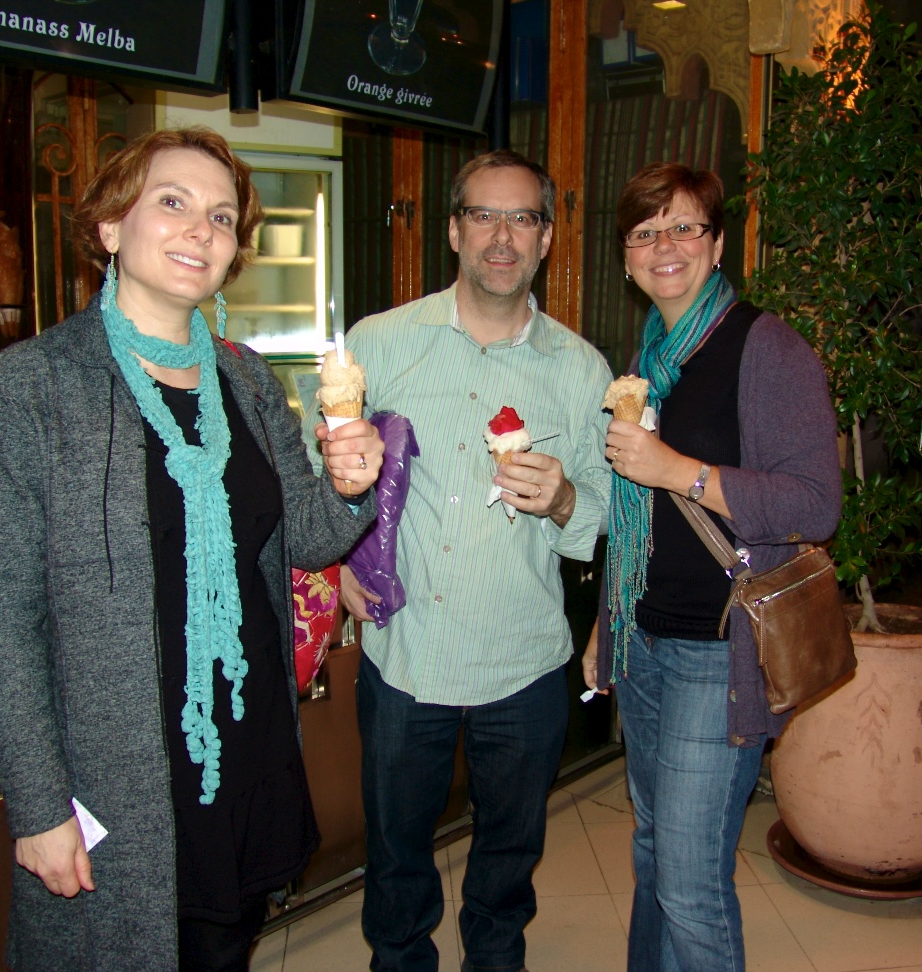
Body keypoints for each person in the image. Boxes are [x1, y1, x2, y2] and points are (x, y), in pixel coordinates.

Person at [0, 126, 384, 972]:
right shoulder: (36, 385)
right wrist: (39, 807)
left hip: (247, 739)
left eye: (221, 217)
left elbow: (306, 537)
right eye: (174, 202)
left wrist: (348, 484)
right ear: (110, 225)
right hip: (119, 770)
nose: (201, 230)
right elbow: (2, 622)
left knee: (224, 949)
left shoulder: (245, 378)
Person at [309, 149, 613, 972]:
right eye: (483, 215)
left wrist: (562, 499)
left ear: (546, 237)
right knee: (397, 862)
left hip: (524, 661)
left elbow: (606, 508)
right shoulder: (379, 344)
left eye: (522, 218)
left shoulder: (579, 369)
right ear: (453, 230)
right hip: (406, 655)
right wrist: (339, 562)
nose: (501, 237)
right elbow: (317, 471)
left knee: (507, 866)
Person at [584, 162, 841, 972]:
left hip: (717, 649)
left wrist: (680, 470)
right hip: (646, 641)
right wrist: (606, 627)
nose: (665, 246)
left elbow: (815, 504)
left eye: (685, 226)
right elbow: (636, 517)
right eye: (645, 232)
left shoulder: (767, 349)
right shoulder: (651, 357)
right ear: (627, 258)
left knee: (691, 882)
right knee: (654, 851)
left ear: (719, 243)